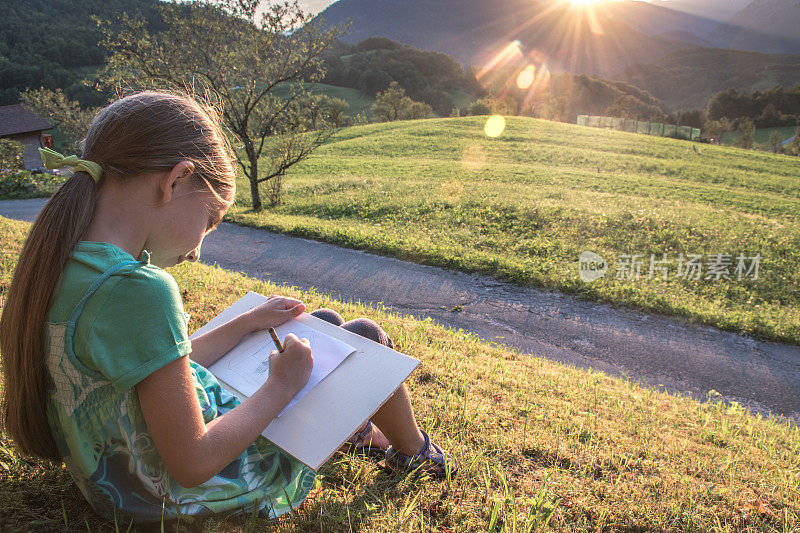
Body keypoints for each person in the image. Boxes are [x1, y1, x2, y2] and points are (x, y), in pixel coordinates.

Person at [0, 90, 458, 524]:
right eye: (210, 219)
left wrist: (246, 323)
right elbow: (193, 462)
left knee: (321, 324)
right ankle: (416, 453)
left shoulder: (65, 261)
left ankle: (361, 435)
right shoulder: (139, 288)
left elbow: (151, 370)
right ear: (176, 180)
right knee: (362, 335)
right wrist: (281, 387)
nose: (199, 248)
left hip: (117, 482)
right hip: (182, 492)